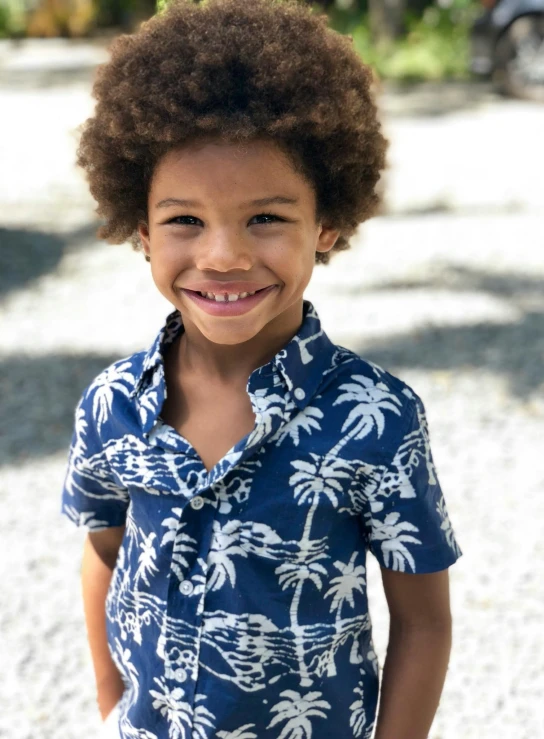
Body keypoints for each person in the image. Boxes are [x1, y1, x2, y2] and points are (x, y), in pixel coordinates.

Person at [61, 1, 462, 737]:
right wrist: (109, 699)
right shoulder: (111, 403)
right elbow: (103, 548)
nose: (224, 256)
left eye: (266, 218)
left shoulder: (376, 417)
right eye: (186, 220)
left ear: (327, 224)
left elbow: (424, 621)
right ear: (142, 231)